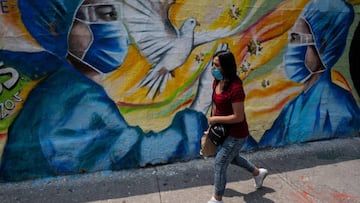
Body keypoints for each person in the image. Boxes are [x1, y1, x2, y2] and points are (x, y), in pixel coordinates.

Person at [0, 0, 207, 181]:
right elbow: (139, 154)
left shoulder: (66, 87)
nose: (116, 28)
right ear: (60, 29)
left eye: (115, 16)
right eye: (104, 15)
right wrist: (200, 107)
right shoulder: (75, 99)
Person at [258, 0, 360, 148]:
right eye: (294, 39)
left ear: (323, 45)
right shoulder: (294, 106)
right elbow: (266, 145)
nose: (294, 48)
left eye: (301, 40)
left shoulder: (341, 111)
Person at [207, 51, 268, 203]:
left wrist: (215, 119)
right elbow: (215, 104)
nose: (213, 68)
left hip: (236, 134)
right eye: (213, 64)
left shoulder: (235, 88)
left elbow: (238, 117)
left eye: (217, 65)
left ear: (226, 67)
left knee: (220, 163)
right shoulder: (217, 81)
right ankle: (257, 173)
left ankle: (217, 199)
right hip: (222, 132)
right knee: (232, 158)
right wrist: (212, 128)